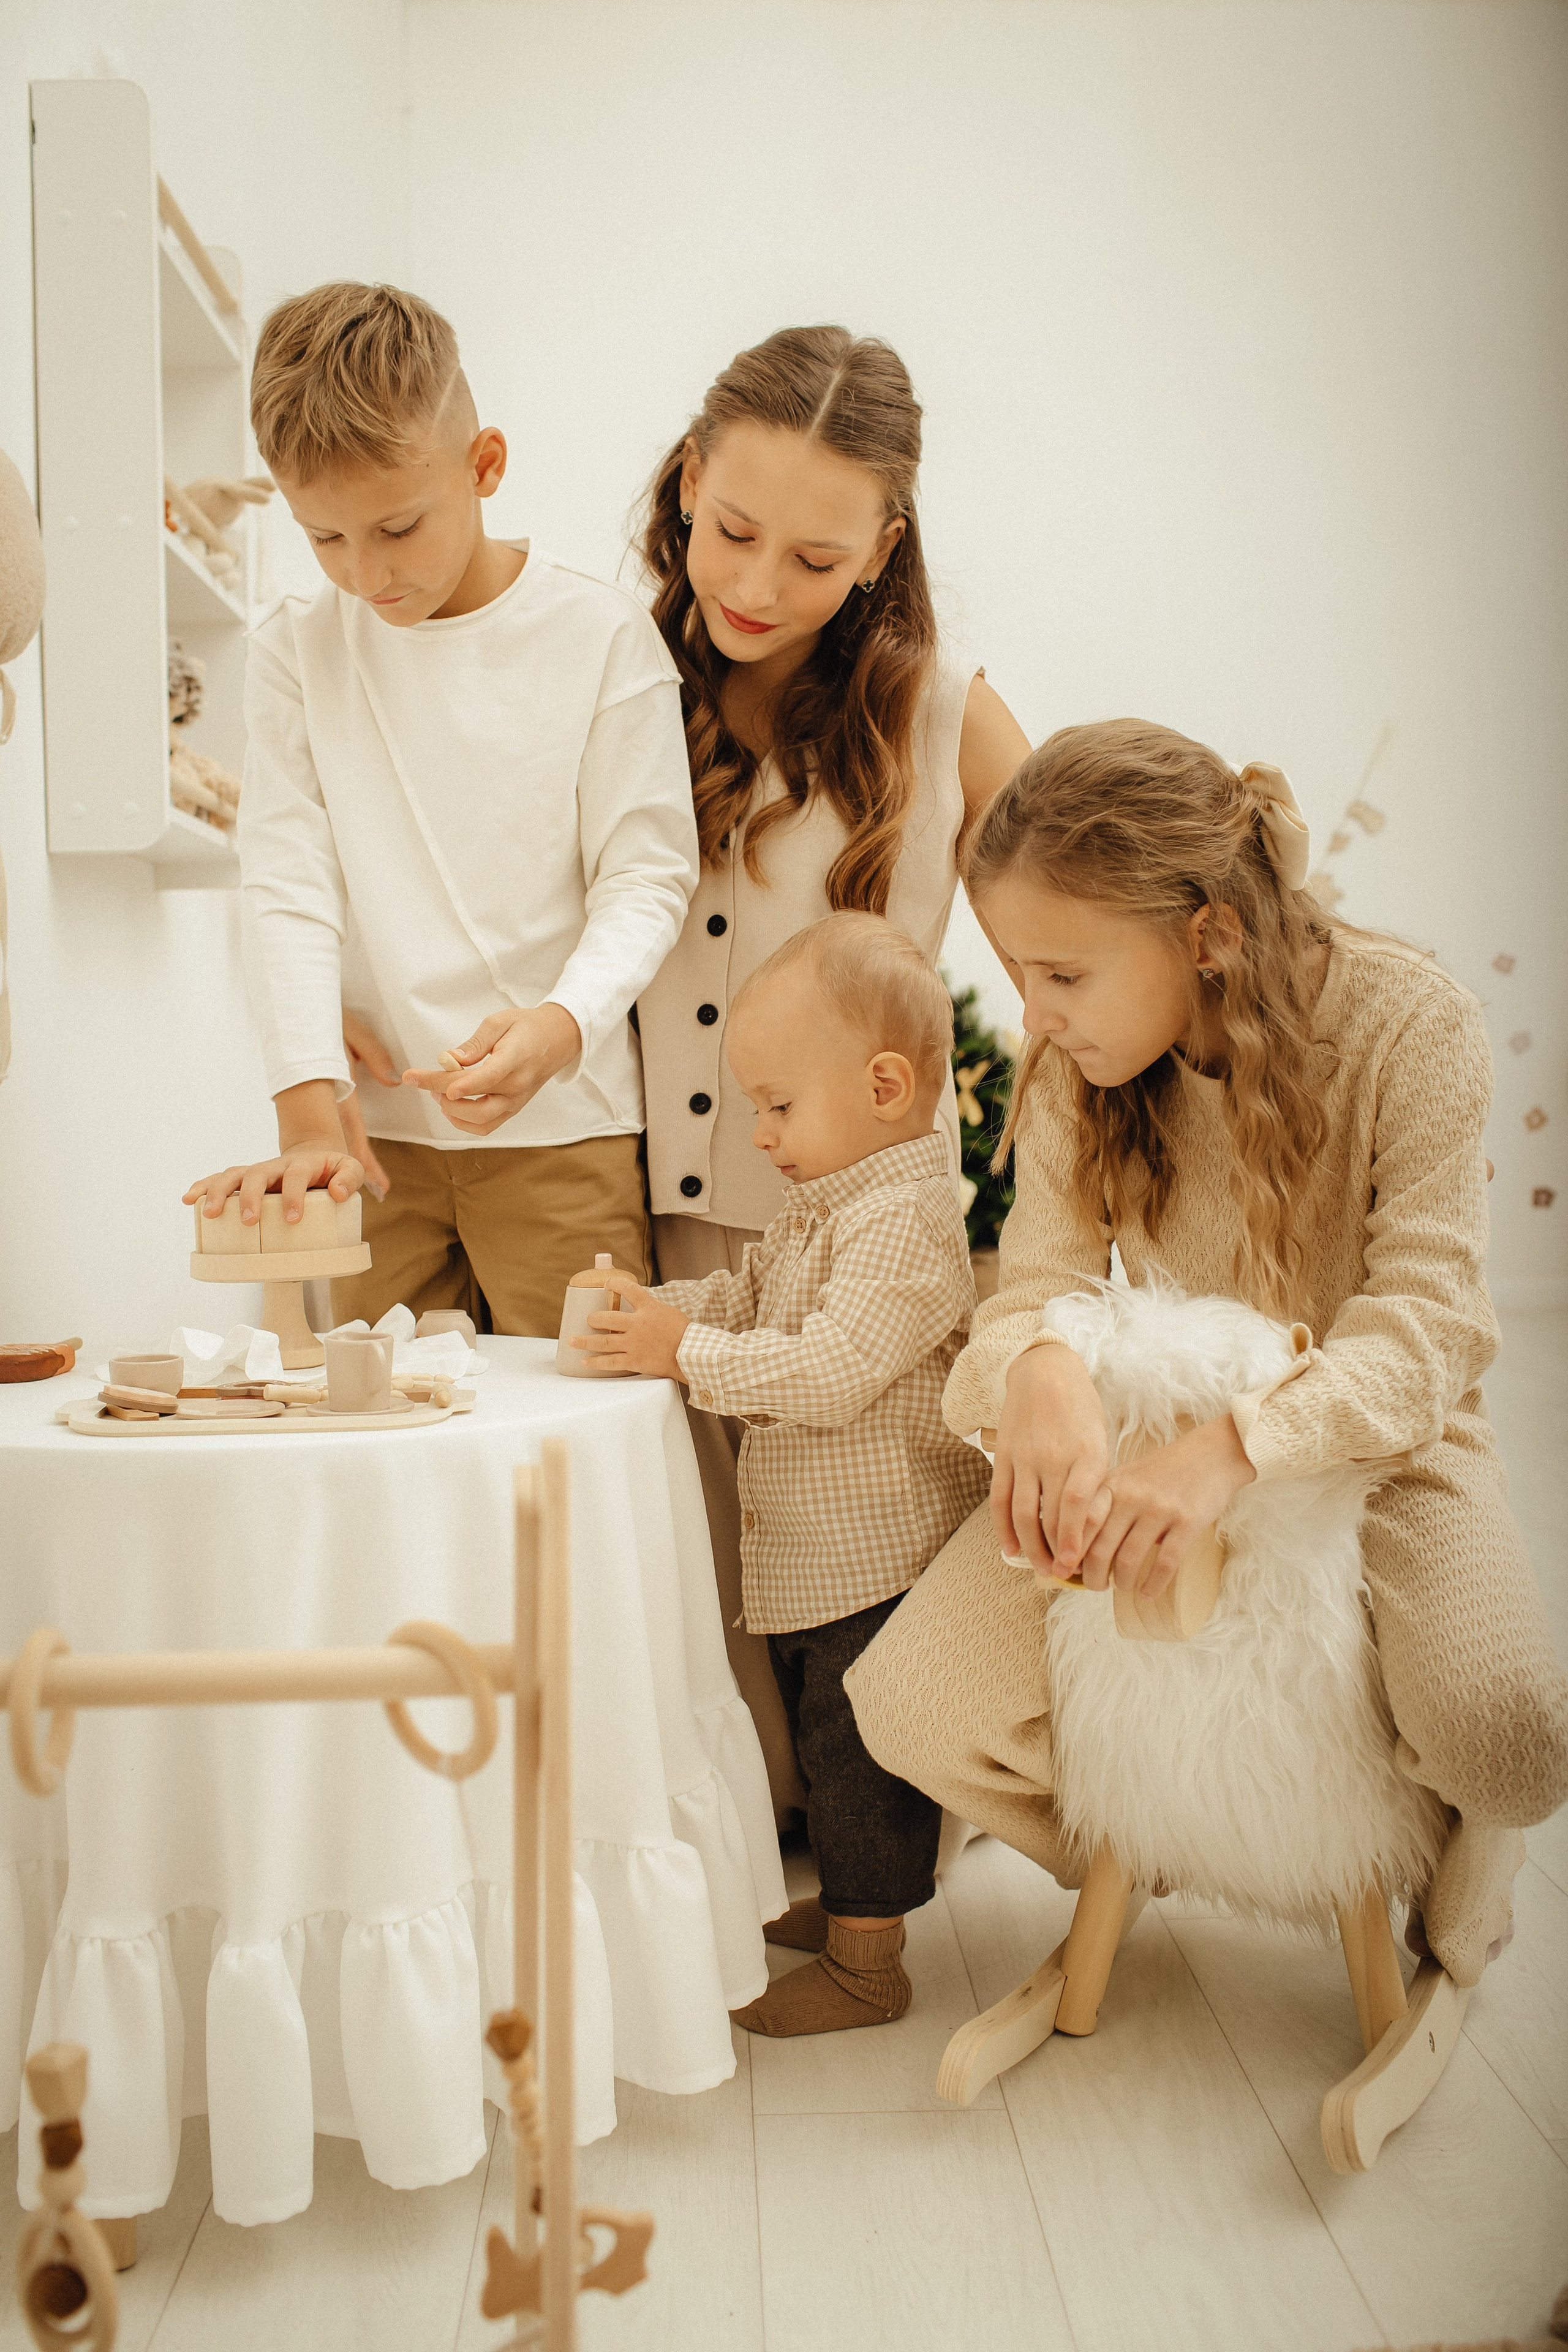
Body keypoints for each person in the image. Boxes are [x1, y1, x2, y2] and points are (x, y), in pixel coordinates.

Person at [845, 720, 1568, 1988]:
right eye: (1017, 972)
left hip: (1384, 1440)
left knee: (1513, 1739)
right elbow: (1041, 1283)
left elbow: (1427, 1325)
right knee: (908, 1710)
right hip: (1154, 1420)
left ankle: (1447, 1847)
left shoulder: (1411, 1026)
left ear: (1209, 937)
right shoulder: (1082, 1062)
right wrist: (1044, 1365)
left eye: (1062, 974)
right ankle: (1170, 1839)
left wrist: (1236, 1447)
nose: (1034, 1013)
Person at [632, 325, 1031, 1813]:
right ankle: (750, 1838)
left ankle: (874, 1848)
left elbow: (1078, 902)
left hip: (853, 1243)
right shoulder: (619, 682)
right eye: (732, 533)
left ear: (882, 547)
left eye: (812, 560)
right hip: (659, 1218)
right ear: (686, 481)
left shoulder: (937, 710)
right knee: (698, 1580)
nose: (753, 588)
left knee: (852, 1572)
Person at [184, 282, 697, 1332]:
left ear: (485, 465)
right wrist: (304, 1104)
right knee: (384, 1439)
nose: (365, 574)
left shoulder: (599, 638)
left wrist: (562, 1029)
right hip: (373, 1145)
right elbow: (284, 881)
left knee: (569, 1440)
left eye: (397, 527)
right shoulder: (296, 649)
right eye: (324, 539)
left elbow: (647, 874)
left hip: (566, 1132)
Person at [576, 913, 990, 2034]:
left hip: (881, 1552)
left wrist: (684, 1358)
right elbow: (753, 1303)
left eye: (777, 1104)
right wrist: (663, 1314)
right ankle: (853, 1910)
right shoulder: (826, 1205)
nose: (757, 1133)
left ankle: (872, 1961)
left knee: (863, 1764)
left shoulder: (901, 1221)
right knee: (822, 1740)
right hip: (818, 1555)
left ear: (886, 1085)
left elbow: (831, 1369)